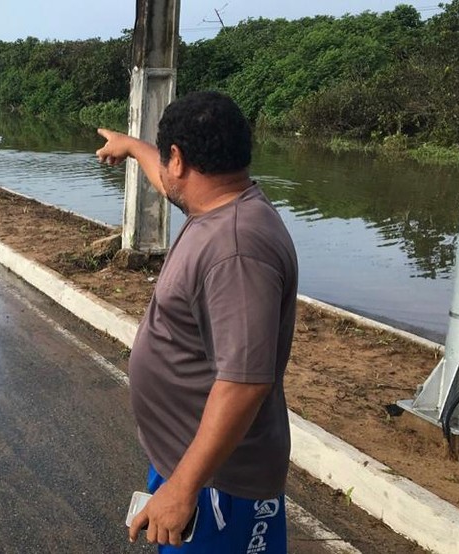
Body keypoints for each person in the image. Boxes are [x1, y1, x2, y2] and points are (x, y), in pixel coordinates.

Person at [96, 91, 297, 553]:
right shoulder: (217, 204)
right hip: (192, 462)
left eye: (165, 157)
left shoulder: (236, 249)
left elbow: (245, 382)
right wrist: (132, 146)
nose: (164, 170)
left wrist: (183, 487)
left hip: (218, 486)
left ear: (179, 158)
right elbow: (168, 182)